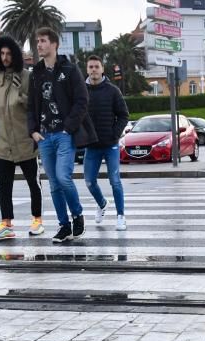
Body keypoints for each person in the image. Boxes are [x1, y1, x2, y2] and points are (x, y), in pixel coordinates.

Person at [27, 27, 96, 244]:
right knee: (53, 183)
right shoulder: (36, 73)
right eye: (37, 41)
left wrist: (68, 127)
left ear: (54, 44)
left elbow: (82, 100)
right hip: (45, 136)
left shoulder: (69, 69)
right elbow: (31, 105)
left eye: (43, 41)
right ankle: (63, 225)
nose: (39, 45)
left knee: (63, 177)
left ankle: (77, 215)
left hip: (65, 134)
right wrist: (33, 130)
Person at [0, 35, 44, 241]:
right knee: (4, 185)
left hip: (25, 140)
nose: (5, 57)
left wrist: (21, 95)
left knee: (33, 183)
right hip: (3, 143)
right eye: (2, 53)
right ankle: (6, 223)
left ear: (15, 55)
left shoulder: (27, 76)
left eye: (9, 53)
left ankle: (37, 220)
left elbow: (35, 106)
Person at [83, 54, 130, 230]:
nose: (94, 70)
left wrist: (115, 134)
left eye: (97, 67)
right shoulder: (81, 91)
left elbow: (124, 115)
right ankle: (102, 204)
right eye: (90, 67)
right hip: (91, 146)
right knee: (89, 182)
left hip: (110, 144)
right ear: (87, 70)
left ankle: (120, 216)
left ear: (102, 69)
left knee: (115, 181)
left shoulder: (112, 91)